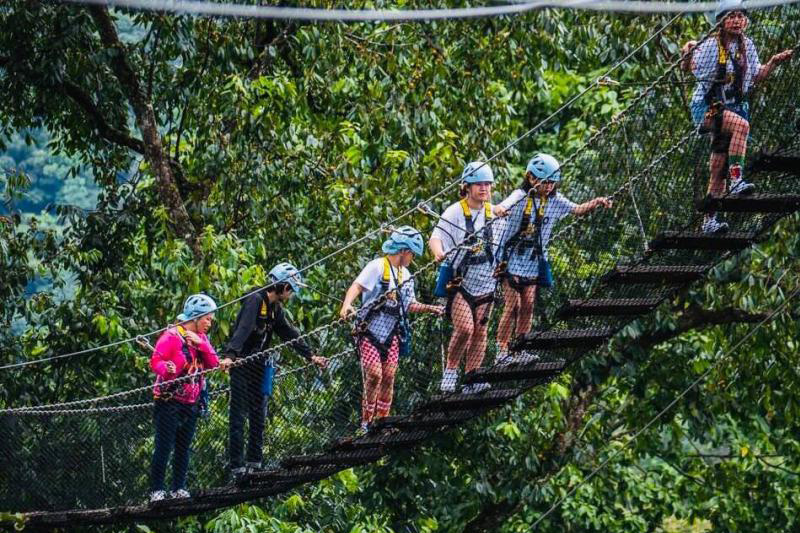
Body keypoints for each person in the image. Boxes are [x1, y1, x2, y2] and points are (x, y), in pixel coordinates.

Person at [680, 0, 793, 234]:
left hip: (731, 108)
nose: (736, 20)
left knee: (717, 167)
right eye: (731, 16)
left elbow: (757, 75)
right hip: (707, 108)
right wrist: (688, 52)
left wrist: (773, 62)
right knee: (742, 126)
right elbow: (689, 68)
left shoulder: (747, 46)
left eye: (740, 16)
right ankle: (737, 180)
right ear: (721, 22)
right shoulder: (712, 46)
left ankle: (709, 221)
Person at [493, 154, 612, 364]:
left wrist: (596, 202)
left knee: (528, 305)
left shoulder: (555, 200)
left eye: (552, 182)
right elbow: (501, 206)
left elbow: (576, 210)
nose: (549, 186)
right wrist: (500, 209)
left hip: (533, 260)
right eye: (545, 182)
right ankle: (501, 351)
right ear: (531, 178)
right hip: (510, 258)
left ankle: (520, 348)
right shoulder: (520, 195)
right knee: (513, 305)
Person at [220, 263, 328, 481]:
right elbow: (242, 329)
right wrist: (230, 355)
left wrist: (309, 355)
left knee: (259, 414)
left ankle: (254, 463)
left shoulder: (275, 309)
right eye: (290, 290)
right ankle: (237, 467)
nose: (290, 295)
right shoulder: (255, 300)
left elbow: (289, 333)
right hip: (241, 364)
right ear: (284, 286)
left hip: (259, 365)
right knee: (238, 415)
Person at [340, 226, 444, 432]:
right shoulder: (377, 267)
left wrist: (430, 308)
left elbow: (409, 304)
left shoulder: (406, 274)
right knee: (375, 375)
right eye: (412, 254)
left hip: (392, 334)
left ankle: (382, 421)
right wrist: (346, 305)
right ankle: (366, 421)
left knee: (388, 377)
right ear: (404, 251)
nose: (412, 259)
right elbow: (357, 286)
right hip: (369, 332)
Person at [430, 162, 501, 394]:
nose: (484, 188)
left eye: (487, 184)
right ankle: (450, 372)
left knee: (480, 331)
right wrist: (439, 253)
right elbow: (436, 237)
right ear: (467, 187)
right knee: (464, 329)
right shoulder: (455, 212)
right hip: (462, 282)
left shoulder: (495, 213)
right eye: (479, 184)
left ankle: (473, 376)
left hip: (487, 281)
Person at [149, 294, 221, 503]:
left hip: (191, 402)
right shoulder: (171, 336)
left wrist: (201, 344)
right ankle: (157, 491)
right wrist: (167, 368)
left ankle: (178, 487)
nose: (210, 322)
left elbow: (213, 363)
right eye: (207, 318)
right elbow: (156, 361)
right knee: (164, 446)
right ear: (196, 317)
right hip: (169, 400)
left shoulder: (201, 338)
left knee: (183, 447)